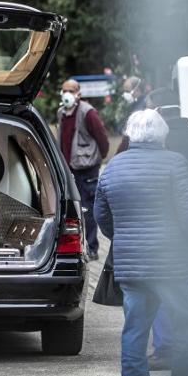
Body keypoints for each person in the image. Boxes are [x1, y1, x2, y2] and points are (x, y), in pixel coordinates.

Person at [94, 109, 188, 376]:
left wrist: (124, 238)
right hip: (173, 266)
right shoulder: (174, 163)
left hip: (132, 268)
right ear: (163, 136)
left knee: (134, 335)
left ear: (130, 135)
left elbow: (101, 215)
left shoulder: (112, 168)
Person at [143, 87, 188, 371]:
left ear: (158, 110)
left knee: (159, 288)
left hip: (161, 225)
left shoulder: (158, 141)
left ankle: (167, 348)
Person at [57, 78, 110, 261]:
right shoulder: (61, 112)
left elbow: (103, 139)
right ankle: (74, 246)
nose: (67, 94)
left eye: (71, 90)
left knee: (88, 209)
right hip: (68, 169)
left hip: (87, 169)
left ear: (78, 93)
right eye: (64, 90)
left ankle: (92, 248)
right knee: (71, 209)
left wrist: (97, 159)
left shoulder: (88, 112)